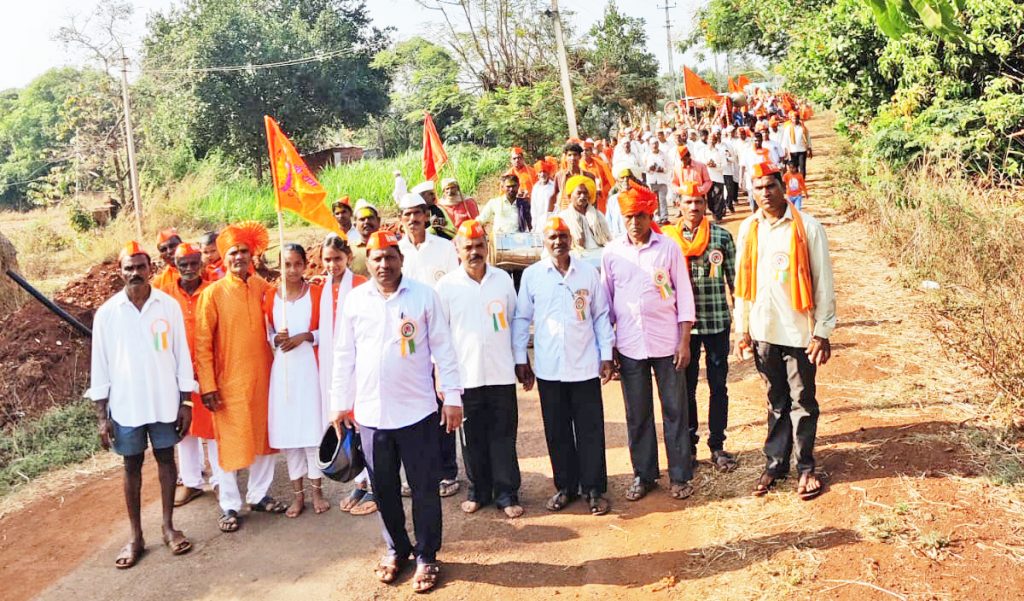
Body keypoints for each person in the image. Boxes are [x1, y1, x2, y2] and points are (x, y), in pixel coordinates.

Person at [329, 230, 463, 593]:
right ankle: (396, 549)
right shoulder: (355, 301)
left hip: (417, 412)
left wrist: (452, 396)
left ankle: (427, 555)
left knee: (423, 489)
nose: (384, 264)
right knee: (384, 490)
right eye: (377, 258)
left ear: (401, 259)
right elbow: (343, 355)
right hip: (371, 417)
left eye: (390, 257)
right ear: (367, 262)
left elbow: (444, 349)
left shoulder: (424, 296)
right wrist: (339, 403)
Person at [87, 241, 194, 568]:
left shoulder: (168, 306)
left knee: (166, 459)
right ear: (120, 272)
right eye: (129, 268)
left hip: (164, 401)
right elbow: (99, 366)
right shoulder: (107, 314)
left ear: (151, 269)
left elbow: (182, 355)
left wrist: (186, 401)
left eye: (140, 267)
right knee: (131, 466)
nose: (135, 273)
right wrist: (102, 416)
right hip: (126, 406)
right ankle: (136, 537)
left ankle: (168, 527)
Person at [735, 162, 835, 501]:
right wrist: (742, 329)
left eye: (771, 186)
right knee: (775, 400)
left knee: (802, 401)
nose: (765, 193)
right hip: (763, 330)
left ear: (783, 186)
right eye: (758, 187)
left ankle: (805, 467)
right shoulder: (748, 228)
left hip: (798, 332)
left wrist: (822, 332)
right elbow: (742, 285)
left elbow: (823, 283)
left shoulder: (808, 228)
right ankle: (775, 464)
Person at [512, 216, 615, 516]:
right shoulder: (532, 275)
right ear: (544, 242)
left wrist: (606, 354)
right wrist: (521, 358)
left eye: (562, 236)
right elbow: (522, 318)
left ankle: (594, 489)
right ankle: (566, 487)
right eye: (552, 237)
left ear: (571, 239)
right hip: (549, 369)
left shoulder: (587, 273)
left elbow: (600, 314)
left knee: (590, 429)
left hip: (584, 365)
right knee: (557, 432)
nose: (558, 242)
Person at [601, 183, 697, 501]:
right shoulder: (612, 253)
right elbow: (606, 303)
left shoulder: (668, 247)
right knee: (637, 414)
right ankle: (644, 475)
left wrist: (684, 341)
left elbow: (684, 295)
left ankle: (680, 476)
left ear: (650, 215)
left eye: (640, 216)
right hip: (630, 346)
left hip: (667, 344)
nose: (634, 223)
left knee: (675, 410)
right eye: (629, 217)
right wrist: (610, 347)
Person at [195, 221, 286, 533]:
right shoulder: (213, 294)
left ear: (251, 255)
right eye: (233, 252)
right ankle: (230, 505)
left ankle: (258, 494)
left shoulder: (262, 287)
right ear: (224, 257)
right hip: (228, 382)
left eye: (244, 251)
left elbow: (283, 309)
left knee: (265, 437)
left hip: (264, 378)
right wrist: (208, 385)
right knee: (230, 444)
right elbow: (202, 344)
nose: (239, 257)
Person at [436, 220, 524, 518]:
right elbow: (440, 336)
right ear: (457, 250)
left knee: (503, 436)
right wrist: (442, 377)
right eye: (468, 247)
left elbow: (514, 321)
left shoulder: (503, 280)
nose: (474, 252)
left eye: (478, 246)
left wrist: (520, 360)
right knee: (471, 439)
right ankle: (478, 491)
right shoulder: (446, 287)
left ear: (487, 247)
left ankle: (507, 493)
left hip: (501, 373)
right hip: (466, 377)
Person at [663, 182, 740, 473]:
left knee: (718, 386)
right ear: (679, 205)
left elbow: (735, 281)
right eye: (688, 202)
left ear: (705, 205)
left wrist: (742, 322)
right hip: (685, 330)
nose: (693, 207)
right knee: (687, 388)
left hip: (717, 321)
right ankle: (690, 446)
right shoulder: (668, 240)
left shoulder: (721, 236)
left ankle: (717, 445)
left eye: (698, 201)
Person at [397, 192, 461, 497]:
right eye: (407, 214)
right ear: (400, 219)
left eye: (417, 213)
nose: (413, 219)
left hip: (440, 336)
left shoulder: (444, 248)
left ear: (426, 215)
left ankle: (447, 472)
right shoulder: (396, 251)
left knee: (442, 403)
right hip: (408, 342)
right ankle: (417, 474)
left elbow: (453, 292)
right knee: (412, 409)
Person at [263, 243, 330, 518]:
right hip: (284, 372)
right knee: (291, 435)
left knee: (312, 432)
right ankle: (298, 495)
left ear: (305, 265)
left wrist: (306, 336)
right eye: (286, 264)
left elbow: (329, 331)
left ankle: (317, 492)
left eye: (297, 264)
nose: (292, 270)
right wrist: (275, 338)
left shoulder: (316, 294)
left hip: (309, 370)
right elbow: (266, 333)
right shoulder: (270, 297)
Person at [317, 234, 375, 515]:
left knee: (365, 423)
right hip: (333, 364)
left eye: (337, 259)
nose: (332, 265)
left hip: (360, 363)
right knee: (346, 424)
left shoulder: (362, 285)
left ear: (348, 257)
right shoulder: (321, 289)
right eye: (327, 260)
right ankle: (360, 481)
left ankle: (376, 486)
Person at [163, 243, 218, 508]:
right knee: (184, 430)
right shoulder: (164, 296)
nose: (188, 268)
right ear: (175, 266)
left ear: (201, 264)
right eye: (183, 264)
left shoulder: (213, 290)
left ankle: (220, 480)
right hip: (178, 372)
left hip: (209, 369)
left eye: (193, 263)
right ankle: (192, 482)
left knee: (213, 428)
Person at [558, 175, 612, 263]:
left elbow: (608, 238)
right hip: (577, 258)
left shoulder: (598, 215)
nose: (583, 196)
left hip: (600, 256)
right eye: (579, 193)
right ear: (570, 195)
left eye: (585, 193)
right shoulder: (563, 217)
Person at [554, 142, 597, 210]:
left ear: (580, 156)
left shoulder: (588, 176)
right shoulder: (559, 176)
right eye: (569, 155)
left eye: (575, 155)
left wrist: (593, 213)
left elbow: (593, 199)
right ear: (565, 157)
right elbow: (555, 196)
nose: (572, 158)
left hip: (583, 212)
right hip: (564, 212)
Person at [350, 199, 382, 278]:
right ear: (355, 225)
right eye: (362, 219)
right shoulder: (349, 250)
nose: (366, 221)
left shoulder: (389, 246)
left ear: (378, 221)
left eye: (370, 218)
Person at [581, 140, 614, 213]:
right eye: (582, 151)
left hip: (600, 198)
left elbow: (608, 181)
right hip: (585, 198)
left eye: (586, 150)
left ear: (591, 152)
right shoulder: (579, 166)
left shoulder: (600, 164)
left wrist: (602, 190)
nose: (584, 152)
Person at [644, 139, 671, 224]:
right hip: (652, 180)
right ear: (650, 145)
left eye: (656, 144)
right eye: (653, 144)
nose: (654, 146)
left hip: (662, 180)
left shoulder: (664, 155)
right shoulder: (646, 155)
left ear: (658, 144)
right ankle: (656, 216)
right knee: (654, 200)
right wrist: (649, 169)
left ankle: (664, 217)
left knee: (662, 200)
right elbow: (643, 168)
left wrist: (662, 169)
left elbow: (669, 167)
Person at [530, 158, 558, 232]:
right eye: (540, 172)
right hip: (539, 224)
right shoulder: (535, 188)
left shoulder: (554, 186)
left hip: (552, 222)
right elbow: (533, 208)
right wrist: (534, 225)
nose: (542, 174)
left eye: (544, 171)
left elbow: (557, 205)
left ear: (548, 173)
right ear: (538, 174)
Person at [782, 112, 812, 177]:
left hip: (802, 150)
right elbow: (785, 140)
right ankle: (797, 180)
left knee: (802, 167)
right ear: (791, 119)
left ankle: (802, 180)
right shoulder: (788, 128)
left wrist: (809, 148)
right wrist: (785, 150)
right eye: (793, 118)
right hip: (792, 151)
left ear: (799, 118)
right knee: (795, 168)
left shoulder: (803, 128)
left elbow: (808, 138)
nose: (795, 120)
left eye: (796, 118)